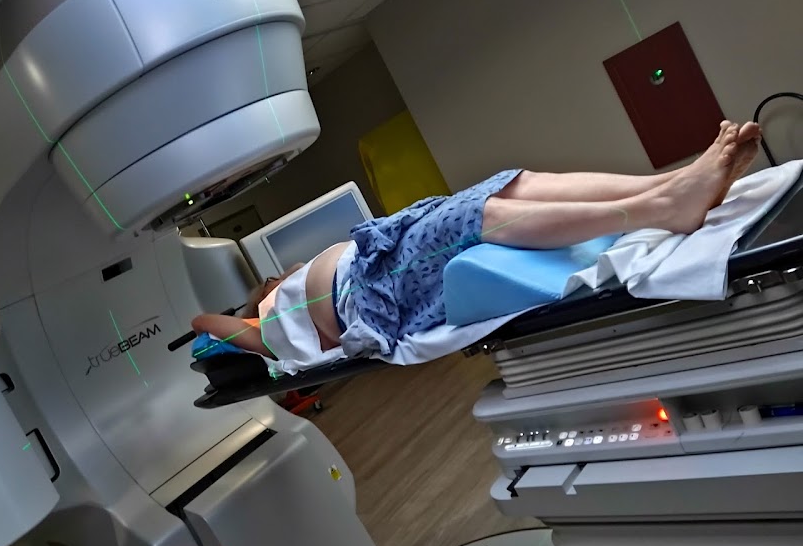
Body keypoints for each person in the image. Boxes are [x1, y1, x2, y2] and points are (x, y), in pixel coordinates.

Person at [192, 121, 762, 364]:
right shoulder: (263, 328)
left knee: (509, 183)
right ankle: (662, 207)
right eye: (267, 284)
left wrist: (282, 277)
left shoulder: (289, 283)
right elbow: (205, 323)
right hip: (378, 293)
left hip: (383, 253)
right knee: (467, 218)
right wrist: (242, 307)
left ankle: (668, 185)